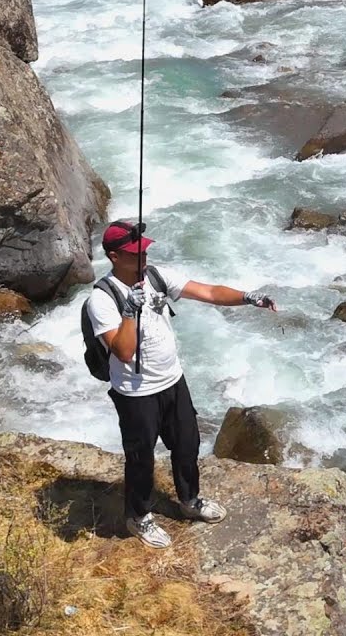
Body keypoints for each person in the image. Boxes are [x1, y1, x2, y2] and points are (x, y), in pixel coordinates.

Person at [87, 220, 277, 549]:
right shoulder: (102, 300)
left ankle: (190, 500)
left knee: (187, 444)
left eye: (145, 249)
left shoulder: (157, 277)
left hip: (173, 380)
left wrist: (248, 297)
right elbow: (123, 351)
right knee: (141, 457)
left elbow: (209, 292)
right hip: (136, 394)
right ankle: (139, 516)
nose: (144, 256)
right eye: (136, 253)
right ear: (115, 257)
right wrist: (131, 310)